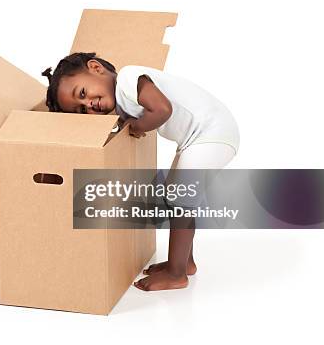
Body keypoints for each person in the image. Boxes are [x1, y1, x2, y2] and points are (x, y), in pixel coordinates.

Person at [42, 52, 240, 291]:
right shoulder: (121, 100)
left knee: (181, 200)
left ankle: (176, 274)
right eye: (82, 110)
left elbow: (162, 109)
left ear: (95, 68)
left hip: (212, 132)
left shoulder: (128, 79)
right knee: (176, 197)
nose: (89, 105)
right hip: (199, 137)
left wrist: (136, 126)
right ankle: (184, 262)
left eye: (82, 93)